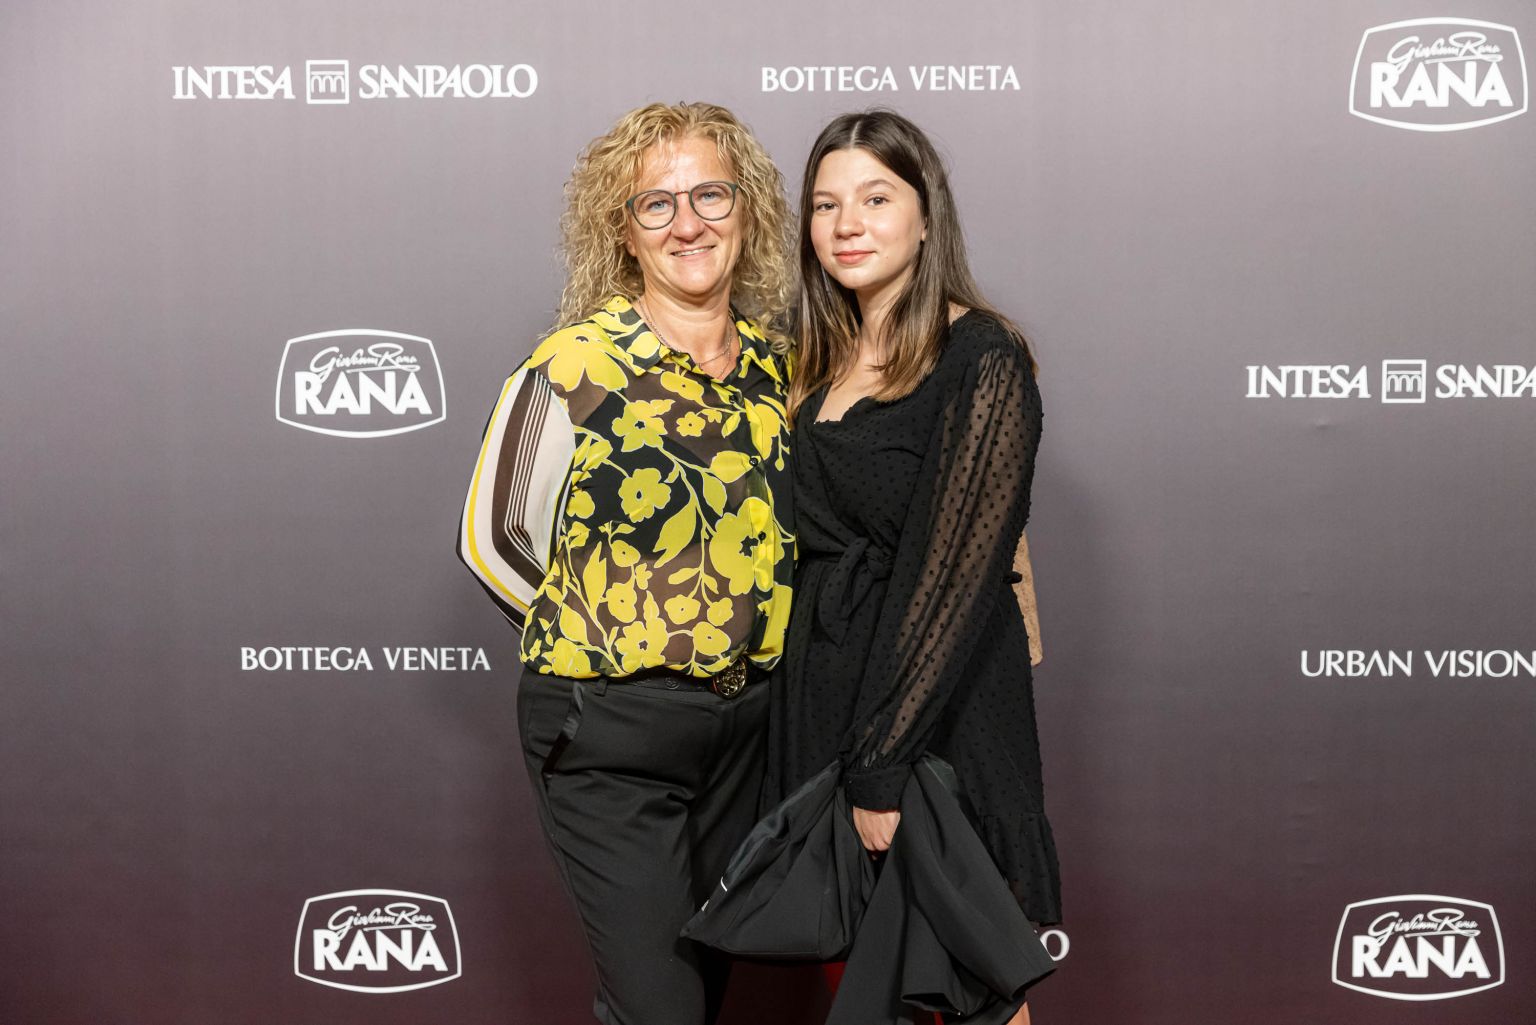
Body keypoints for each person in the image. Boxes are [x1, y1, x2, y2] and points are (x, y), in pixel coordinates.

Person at [457, 102, 795, 1025]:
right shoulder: (574, 365)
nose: (688, 223)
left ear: (749, 211)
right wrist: (603, 642)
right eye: (657, 204)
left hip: (749, 733)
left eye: (711, 195)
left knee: (700, 994)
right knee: (661, 1008)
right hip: (612, 735)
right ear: (624, 231)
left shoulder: (782, 373)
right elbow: (493, 539)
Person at [765, 109, 1061, 1024]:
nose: (846, 224)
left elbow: (958, 577)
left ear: (927, 216)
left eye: (875, 198)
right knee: (862, 988)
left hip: (936, 724)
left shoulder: (982, 356)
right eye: (825, 205)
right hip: (824, 706)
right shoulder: (810, 360)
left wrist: (881, 764)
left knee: (971, 989)